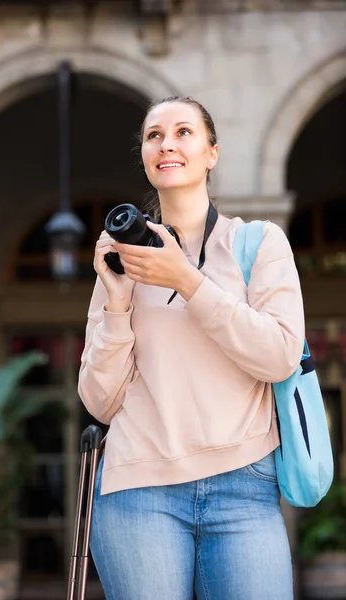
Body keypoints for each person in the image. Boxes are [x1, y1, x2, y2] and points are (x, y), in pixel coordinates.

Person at [78, 96, 304, 600]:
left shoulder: (258, 244)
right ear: (145, 157)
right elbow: (99, 401)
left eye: (184, 132)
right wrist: (117, 303)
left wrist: (187, 279)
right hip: (137, 490)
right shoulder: (122, 263)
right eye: (154, 135)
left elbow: (279, 355)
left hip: (243, 486)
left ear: (212, 153)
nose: (167, 144)